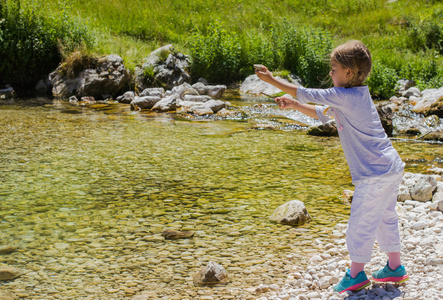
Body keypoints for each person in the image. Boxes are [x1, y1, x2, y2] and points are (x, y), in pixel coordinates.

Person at [255, 40, 409, 294]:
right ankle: (394, 267)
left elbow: (309, 93)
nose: (330, 72)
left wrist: (272, 80)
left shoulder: (344, 96)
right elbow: (322, 112)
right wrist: (293, 105)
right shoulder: (355, 96)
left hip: (374, 173)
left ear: (348, 72)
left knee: (360, 222)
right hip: (390, 167)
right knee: (385, 216)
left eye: (334, 68)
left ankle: (356, 274)